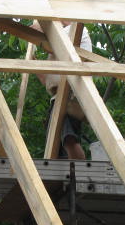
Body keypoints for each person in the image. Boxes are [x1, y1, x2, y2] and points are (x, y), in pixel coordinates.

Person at [31, 20, 93, 160]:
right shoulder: (58, 45)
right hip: (59, 97)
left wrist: (39, 24)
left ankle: (79, 169)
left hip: (69, 96)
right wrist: (32, 61)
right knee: (58, 148)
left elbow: (38, 31)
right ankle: (69, 171)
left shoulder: (75, 30)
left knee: (69, 139)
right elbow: (47, 81)